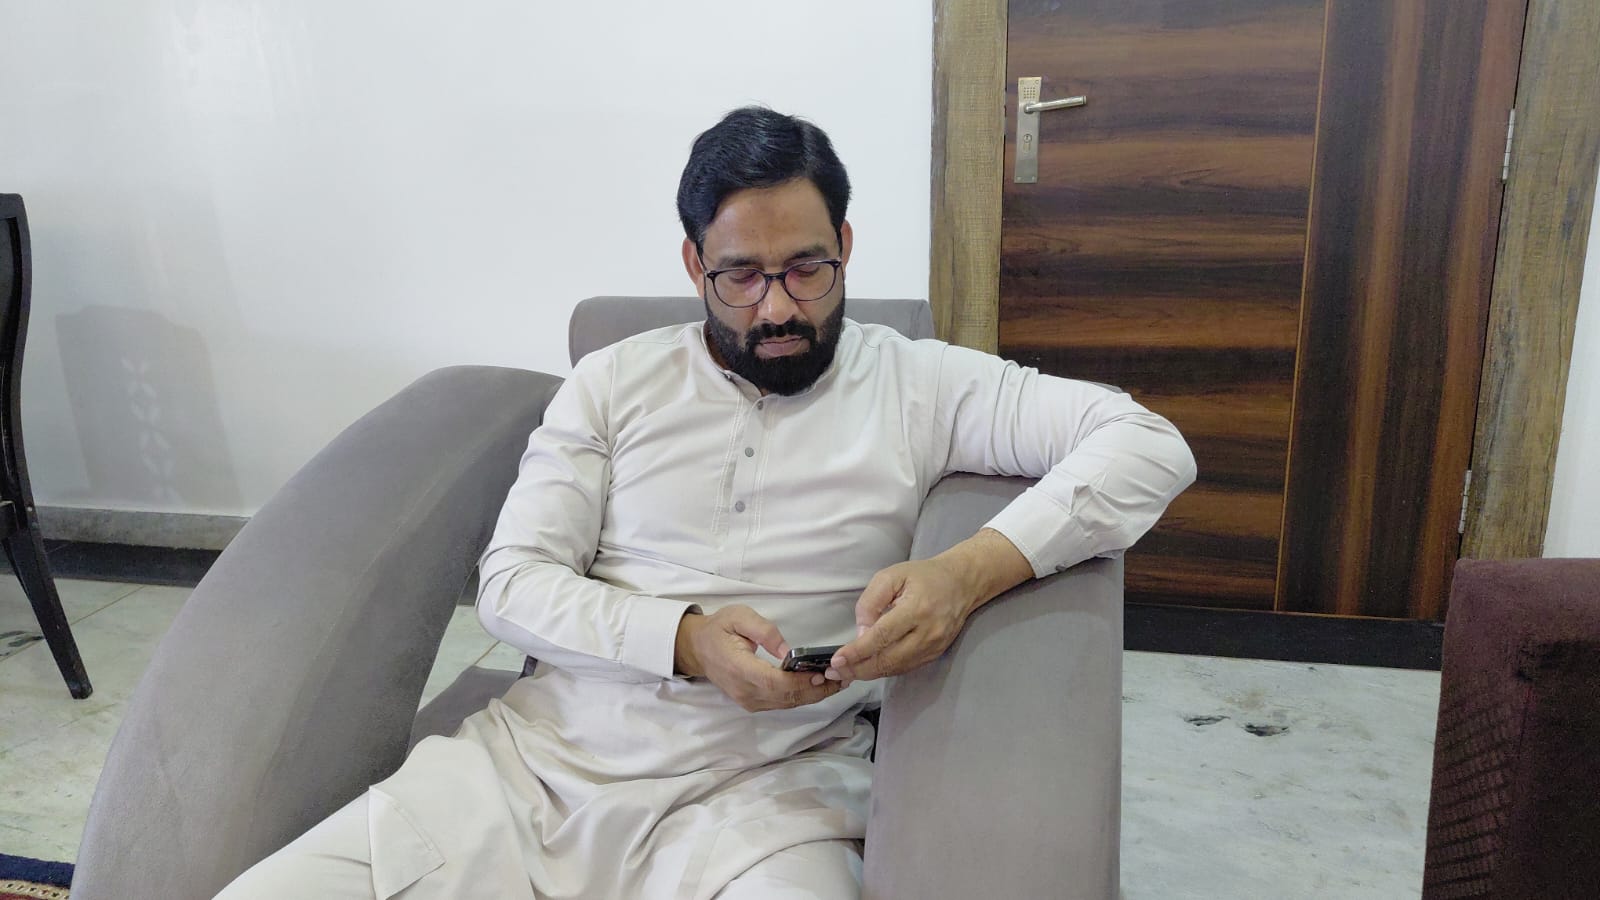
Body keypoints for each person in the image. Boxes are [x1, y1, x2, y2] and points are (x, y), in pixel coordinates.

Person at [217, 106, 1196, 900]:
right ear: (694, 266)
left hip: (769, 800)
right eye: (740, 276)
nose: (778, 307)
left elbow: (1146, 444)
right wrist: (683, 640)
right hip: (534, 772)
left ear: (846, 246)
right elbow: (512, 584)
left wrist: (964, 573)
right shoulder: (612, 382)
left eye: (806, 268)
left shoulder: (920, 383)